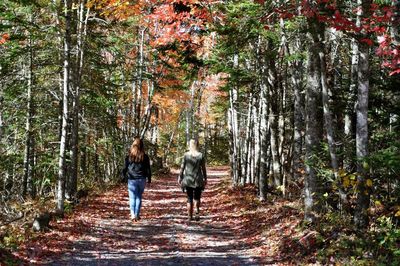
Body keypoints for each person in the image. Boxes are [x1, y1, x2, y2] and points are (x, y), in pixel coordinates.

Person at [122, 137, 151, 221]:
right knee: (138, 197)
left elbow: (125, 168)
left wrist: (123, 176)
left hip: (132, 179)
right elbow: (148, 168)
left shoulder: (129, 157)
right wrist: (149, 179)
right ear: (142, 146)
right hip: (142, 179)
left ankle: (132, 215)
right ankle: (137, 214)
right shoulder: (145, 157)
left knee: (132, 197)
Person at [178, 139, 207, 221]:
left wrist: (180, 177)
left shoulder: (186, 155)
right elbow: (203, 168)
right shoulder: (200, 155)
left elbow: (182, 167)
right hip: (198, 179)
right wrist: (205, 178)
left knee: (189, 198)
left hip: (188, 180)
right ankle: (197, 212)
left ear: (190, 145)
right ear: (197, 145)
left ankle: (189, 216)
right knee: (197, 197)